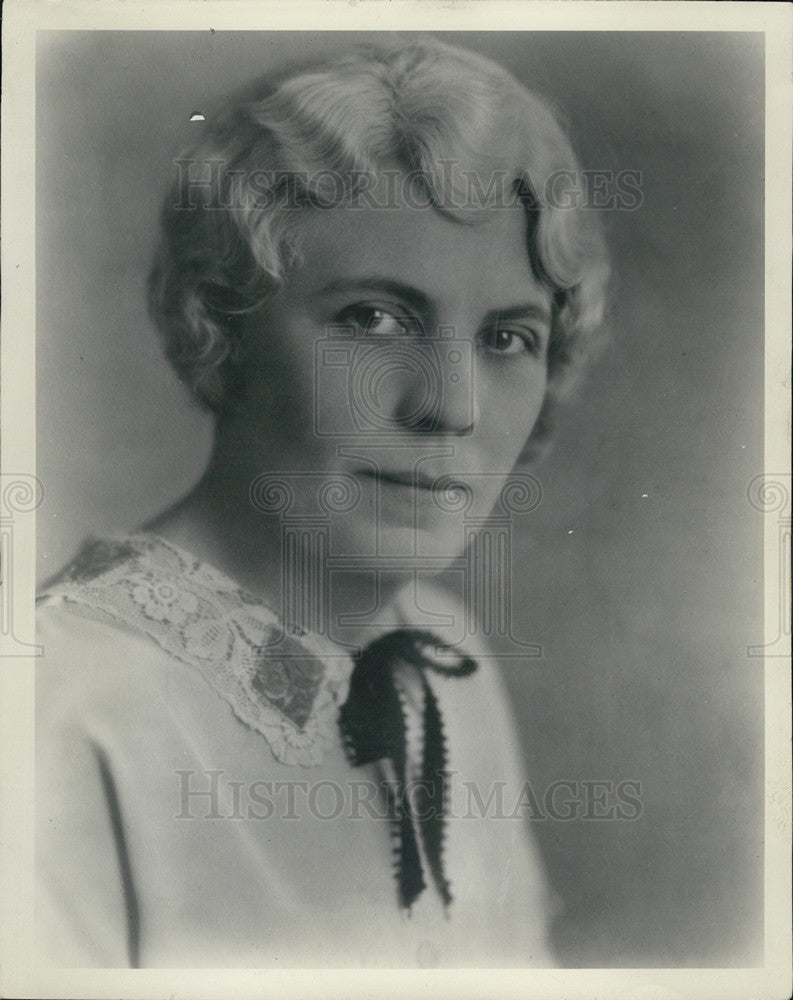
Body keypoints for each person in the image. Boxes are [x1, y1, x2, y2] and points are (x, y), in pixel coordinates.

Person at [35, 37, 608, 968]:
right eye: (374, 320)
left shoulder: (447, 656)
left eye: (507, 337)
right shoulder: (62, 708)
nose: (451, 407)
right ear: (222, 326)